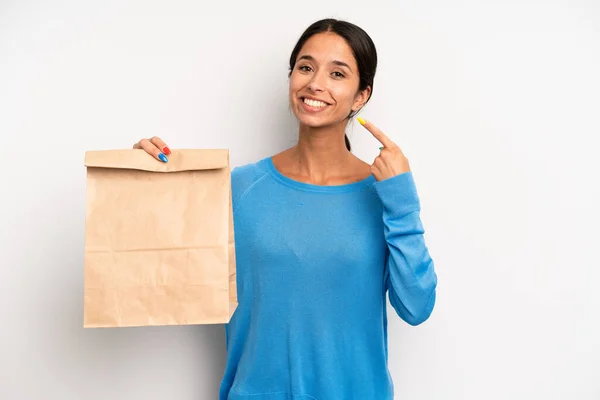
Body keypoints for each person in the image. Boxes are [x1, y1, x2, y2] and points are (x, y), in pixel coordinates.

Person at [134, 18, 437, 400]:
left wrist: (402, 202)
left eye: (337, 73)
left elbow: (416, 307)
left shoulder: (386, 195)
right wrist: (140, 182)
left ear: (361, 96)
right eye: (305, 67)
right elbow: (162, 272)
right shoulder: (239, 188)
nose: (315, 83)